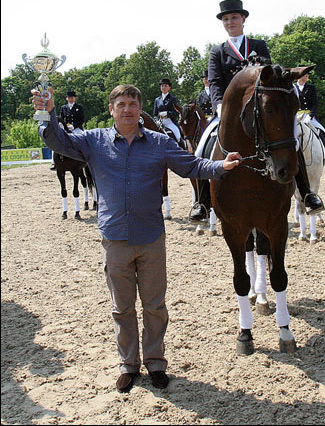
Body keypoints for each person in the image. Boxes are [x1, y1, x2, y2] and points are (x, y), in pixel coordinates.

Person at [33, 84, 242, 393]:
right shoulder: (93, 141)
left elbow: (192, 165)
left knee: (155, 306)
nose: (127, 109)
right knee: (122, 307)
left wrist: (220, 166)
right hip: (114, 239)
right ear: (111, 109)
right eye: (121, 104)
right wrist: (47, 111)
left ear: (140, 108)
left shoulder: (159, 142)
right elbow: (55, 139)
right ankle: (129, 365)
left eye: (132, 103)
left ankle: (156, 362)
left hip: (151, 239)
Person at [190, 0, 325, 223]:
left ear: (243, 19)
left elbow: (269, 76)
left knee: (293, 139)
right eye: (226, 19)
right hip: (228, 110)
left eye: (234, 17)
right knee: (202, 147)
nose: (230, 21)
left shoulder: (259, 45)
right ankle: (202, 202)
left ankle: (308, 193)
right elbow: (214, 82)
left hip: (258, 109)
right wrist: (220, 105)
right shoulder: (218, 52)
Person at [295, 72, 325, 182]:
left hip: (310, 118)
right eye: (304, 76)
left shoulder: (311, 88)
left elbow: (315, 104)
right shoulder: (292, 88)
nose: (306, 78)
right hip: (296, 118)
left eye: (307, 76)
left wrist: (310, 116)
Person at [50, 90, 85, 170]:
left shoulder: (79, 107)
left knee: (84, 140)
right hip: (66, 128)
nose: (70, 99)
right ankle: (54, 162)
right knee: (56, 140)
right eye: (69, 98)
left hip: (76, 128)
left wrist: (73, 126)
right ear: (67, 98)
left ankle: (86, 159)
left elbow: (82, 119)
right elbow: (61, 118)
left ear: (75, 98)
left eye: (72, 97)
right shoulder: (63, 108)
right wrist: (63, 125)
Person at [152, 78, 182, 145]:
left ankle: (183, 146)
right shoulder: (157, 100)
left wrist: (167, 114)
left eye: (165, 86)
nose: (163, 87)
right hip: (160, 123)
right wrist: (156, 120)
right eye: (162, 86)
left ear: (169, 88)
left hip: (170, 122)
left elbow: (176, 113)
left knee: (178, 136)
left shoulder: (172, 99)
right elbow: (155, 114)